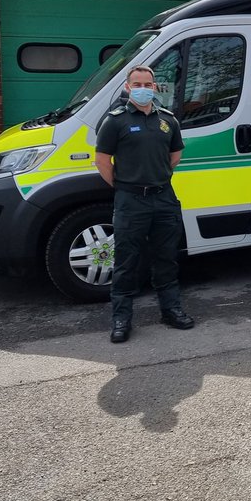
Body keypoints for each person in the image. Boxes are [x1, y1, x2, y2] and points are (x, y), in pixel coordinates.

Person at [95, 65, 195, 343]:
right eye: (136, 83)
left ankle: (171, 310)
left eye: (147, 84)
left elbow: (175, 154)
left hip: (163, 197)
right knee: (127, 261)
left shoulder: (168, 120)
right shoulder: (115, 121)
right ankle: (121, 318)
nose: (142, 88)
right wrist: (126, 186)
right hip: (130, 200)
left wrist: (157, 178)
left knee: (166, 258)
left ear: (155, 88)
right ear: (128, 87)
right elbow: (102, 161)